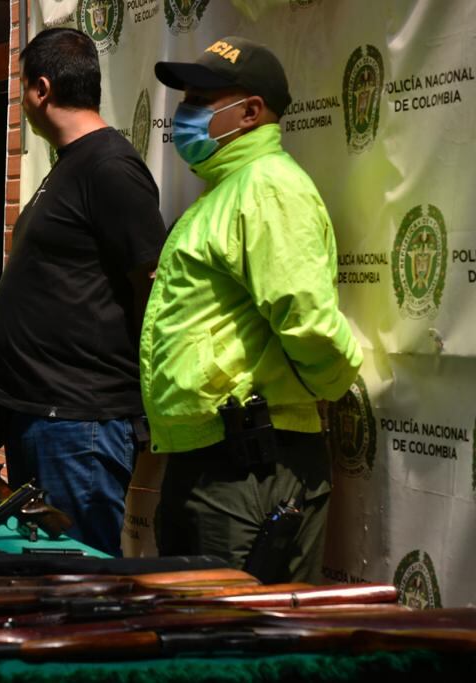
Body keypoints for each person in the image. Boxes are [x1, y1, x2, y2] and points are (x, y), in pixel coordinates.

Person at [140, 37, 362, 582]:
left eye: (200, 100)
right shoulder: (227, 189)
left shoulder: (268, 188)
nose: (184, 115)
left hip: (254, 466)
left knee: (244, 640)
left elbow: (306, 320)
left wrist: (332, 381)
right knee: (199, 646)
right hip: (214, 462)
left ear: (250, 111)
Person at [0, 28, 167, 557]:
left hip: (78, 425)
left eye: (22, 88)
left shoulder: (109, 166)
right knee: (46, 575)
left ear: (42, 89)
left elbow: (152, 282)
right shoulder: (69, 165)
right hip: (42, 418)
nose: (22, 101)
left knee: (79, 581)